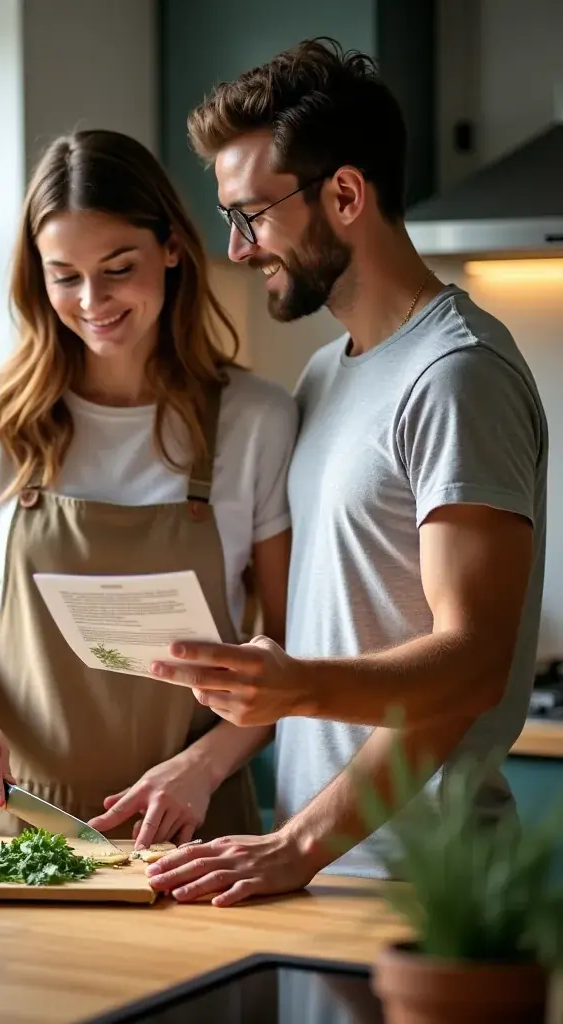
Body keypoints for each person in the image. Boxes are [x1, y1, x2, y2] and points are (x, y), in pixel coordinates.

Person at [144, 38, 548, 904]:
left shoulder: (457, 373)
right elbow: (343, 626)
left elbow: (473, 662)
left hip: (428, 890)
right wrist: (207, 764)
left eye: (250, 214)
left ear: (345, 194)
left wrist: (295, 840)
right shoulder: (329, 372)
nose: (239, 247)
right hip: (325, 870)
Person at [0, 129, 298, 848]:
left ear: (172, 249)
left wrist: (204, 767)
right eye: (64, 275)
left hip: (193, 829)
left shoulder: (256, 421)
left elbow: (289, 648)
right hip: (12, 826)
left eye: (119, 268)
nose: (93, 300)